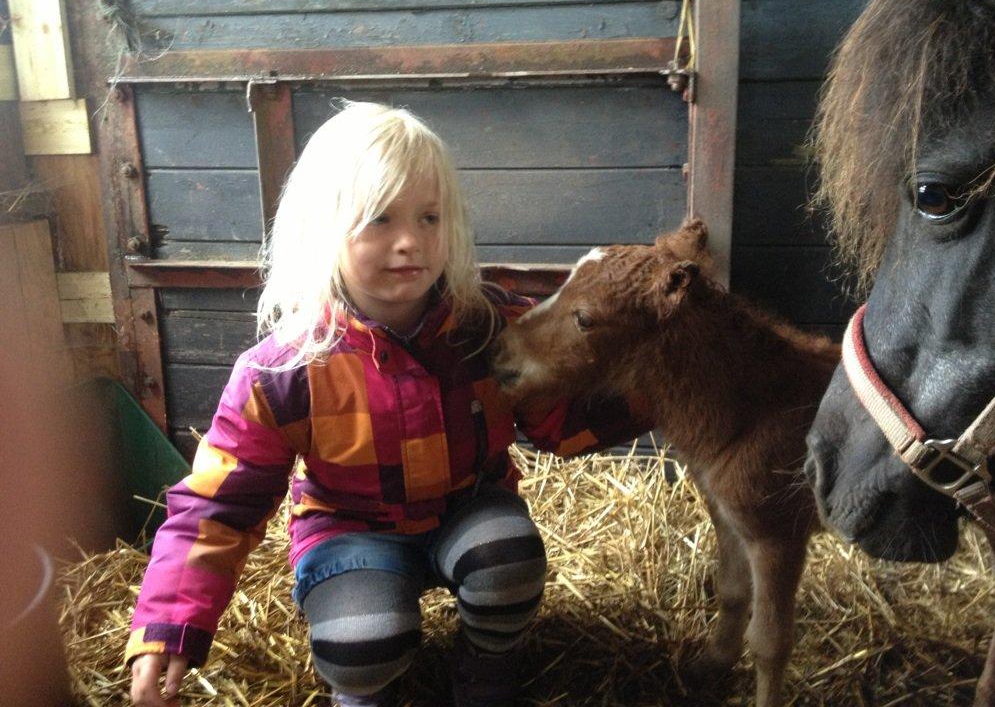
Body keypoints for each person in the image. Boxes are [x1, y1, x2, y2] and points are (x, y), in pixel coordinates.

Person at [126, 101, 645, 707]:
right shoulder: (284, 371)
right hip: (350, 530)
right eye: (379, 219)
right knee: (363, 643)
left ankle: (484, 668)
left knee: (509, 561)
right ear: (322, 229)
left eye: (430, 217)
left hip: (468, 508)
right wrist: (171, 623)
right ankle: (364, 693)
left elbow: (560, 419)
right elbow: (219, 504)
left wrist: (660, 391)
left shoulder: (489, 328)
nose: (411, 242)